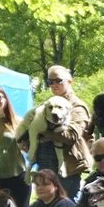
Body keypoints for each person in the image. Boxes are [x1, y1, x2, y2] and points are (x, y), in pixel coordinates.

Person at [29, 65, 91, 199]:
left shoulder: (77, 106)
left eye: (58, 80)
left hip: (67, 168)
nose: (54, 85)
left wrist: (46, 133)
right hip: (45, 164)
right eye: (50, 81)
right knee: (47, 206)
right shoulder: (47, 105)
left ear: (70, 81)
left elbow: (72, 136)